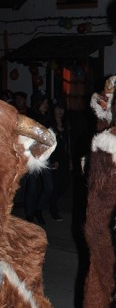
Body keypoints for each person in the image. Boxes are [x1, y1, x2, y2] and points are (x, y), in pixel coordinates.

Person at [24, 92, 52, 224]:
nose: (46, 105)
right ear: (38, 103)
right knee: (32, 187)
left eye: (47, 103)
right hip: (32, 157)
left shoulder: (48, 118)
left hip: (45, 157)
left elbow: (52, 140)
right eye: (44, 103)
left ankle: (38, 209)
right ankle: (29, 214)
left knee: (49, 187)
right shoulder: (31, 118)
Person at [47, 98, 71, 221]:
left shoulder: (66, 125)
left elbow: (69, 144)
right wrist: (52, 160)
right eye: (58, 108)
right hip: (55, 159)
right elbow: (48, 145)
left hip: (65, 159)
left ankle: (49, 202)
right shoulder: (50, 126)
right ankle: (52, 209)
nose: (60, 111)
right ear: (53, 110)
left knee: (65, 185)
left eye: (62, 108)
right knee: (56, 186)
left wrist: (71, 160)